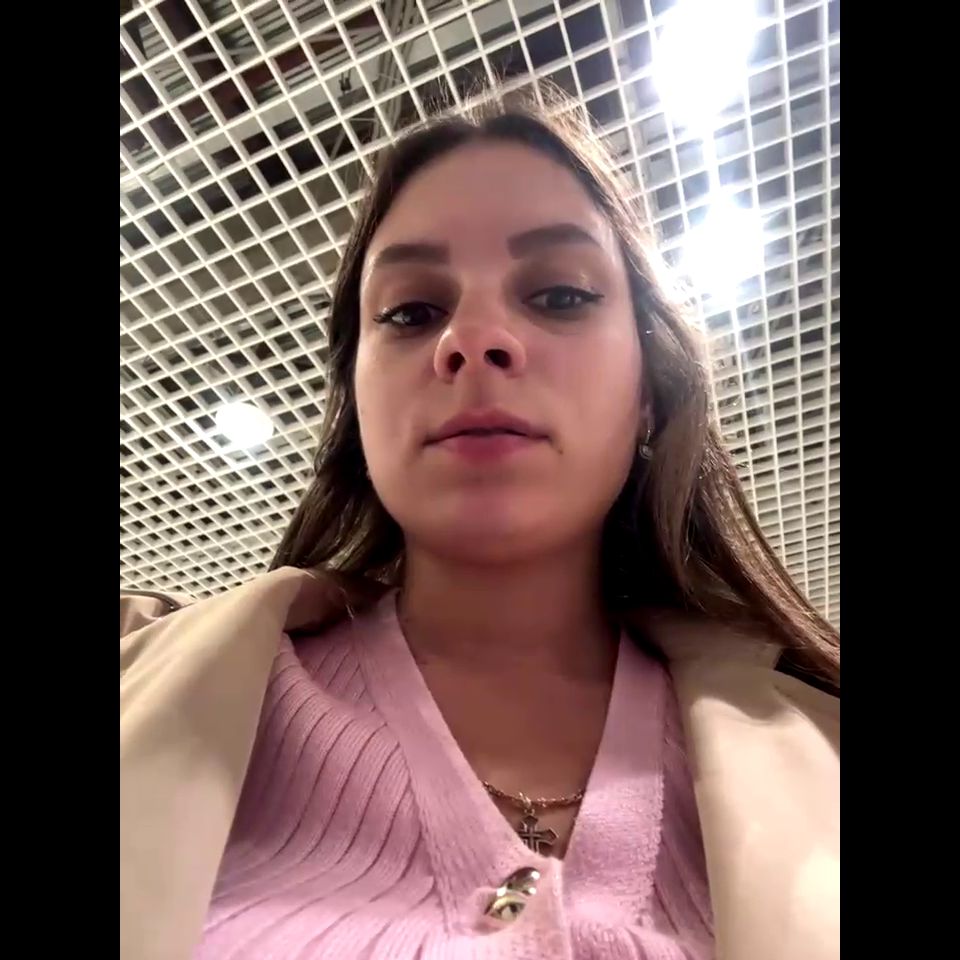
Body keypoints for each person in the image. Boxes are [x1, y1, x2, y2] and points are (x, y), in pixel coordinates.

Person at [120, 87, 839, 960]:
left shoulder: (821, 750)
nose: (473, 338)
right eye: (411, 313)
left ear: (649, 391)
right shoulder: (154, 690)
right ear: (357, 404)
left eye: (561, 295)